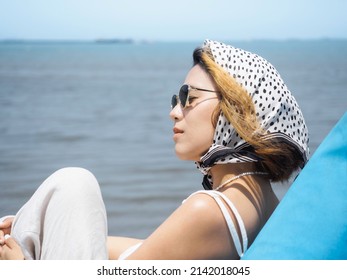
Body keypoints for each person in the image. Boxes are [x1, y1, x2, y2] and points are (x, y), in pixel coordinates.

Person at [0, 39, 309, 260]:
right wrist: (54, 228)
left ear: (236, 111)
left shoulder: (209, 210)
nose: (175, 111)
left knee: (73, 182)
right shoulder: (263, 201)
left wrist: (24, 270)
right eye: (175, 99)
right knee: (67, 196)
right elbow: (152, 250)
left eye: (190, 98)